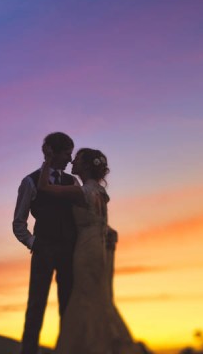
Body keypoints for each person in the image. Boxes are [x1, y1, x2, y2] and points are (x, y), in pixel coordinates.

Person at [38, 147, 142, 354]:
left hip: (86, 249)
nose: (72, 162)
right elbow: (102, 222)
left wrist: (47, 162)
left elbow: (44, 187)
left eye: (77, 159)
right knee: (96, 297)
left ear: (85, 166)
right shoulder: (100, 192)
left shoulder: (82, 191)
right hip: (99, 247)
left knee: (85, 298)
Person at [13, 132, 79, 354]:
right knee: (36, 306)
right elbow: (19, 221)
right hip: (44, 250)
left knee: (68, 307)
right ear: (54, 152)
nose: (71, 160)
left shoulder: (72, 182)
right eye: (67, 154)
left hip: (69, 251)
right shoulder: (30, 181)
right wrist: (33, 243)